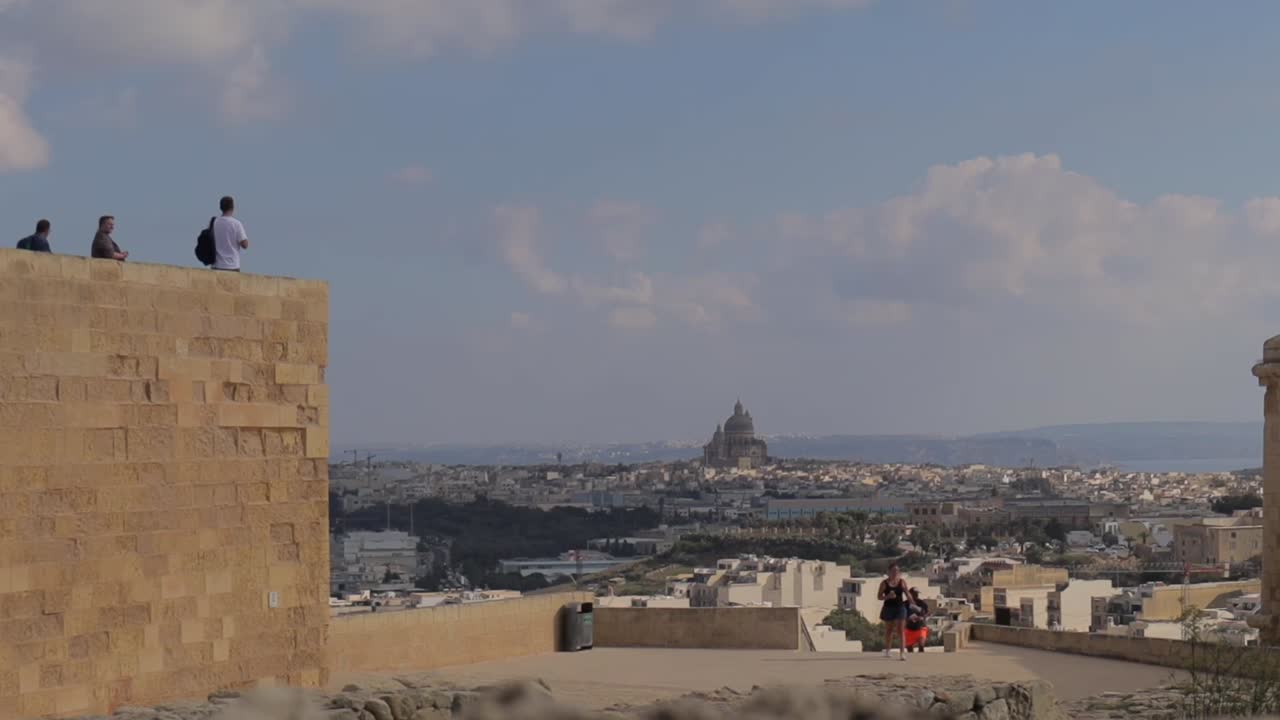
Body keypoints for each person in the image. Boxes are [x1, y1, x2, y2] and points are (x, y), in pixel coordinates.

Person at [877, 563, 909, 661]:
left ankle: (902, 653)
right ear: (889, 572)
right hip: (888, 608)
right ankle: (887, 650)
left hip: (900, 607)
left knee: (900, 630)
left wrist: (913, 604)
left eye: (897, 571)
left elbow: (907, 594)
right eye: (893, 570)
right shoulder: (884, 583)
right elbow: (879, 597)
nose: (895, 572)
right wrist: (888, 596)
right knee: (889, 630)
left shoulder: (902, 582)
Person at [212, 195, 249, 271]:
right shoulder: (236, 224)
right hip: (232, 266)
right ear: (232, 208)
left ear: (220, 208)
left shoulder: (214, 222)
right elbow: (245, 245)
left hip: (217, 264)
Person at [904, 587, 931, 653]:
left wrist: (922, 617)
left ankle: (922, 661)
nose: (916, 595)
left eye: (917, 594)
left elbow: (927, 613)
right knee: (909, 649)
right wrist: (907, 618)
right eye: (914, 594)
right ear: (909, 594)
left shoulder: (922, 603)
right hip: (909, 629)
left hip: (920, 628)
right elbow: (901, 614)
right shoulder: (905, 604)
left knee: (921, 646)